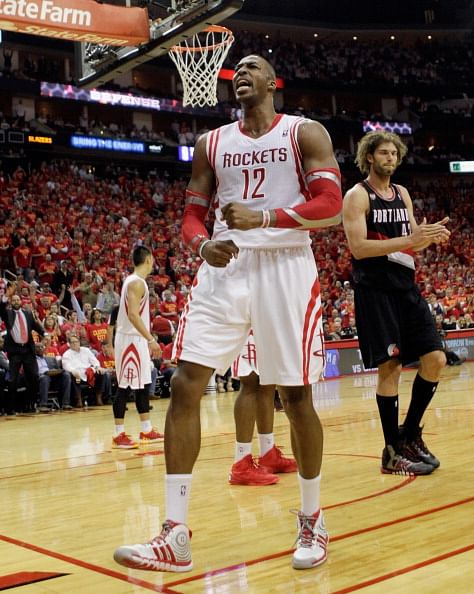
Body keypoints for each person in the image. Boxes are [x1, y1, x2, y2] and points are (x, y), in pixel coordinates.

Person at [113, 54, 342, 572]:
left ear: (273, 82)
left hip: (285, 265)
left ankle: (312, 519)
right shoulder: (210, 143)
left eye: (252, 66)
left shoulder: (305, 133)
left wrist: (264, 216)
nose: (240, 72)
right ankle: (174, 534)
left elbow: (329, 204)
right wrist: (201, 248)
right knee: (186, 383)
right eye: (235, 68)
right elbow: (194, 213)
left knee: (296, 395)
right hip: (225, 268)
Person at [342, 131, 450, 476]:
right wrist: (411, 238)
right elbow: (358, 247)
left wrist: (428, 237)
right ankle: (391, 453)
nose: (391, 158)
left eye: (394, 153)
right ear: (369, 157)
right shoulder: (358, 196)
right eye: (384, 153)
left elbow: (411, 242)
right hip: (375, 292)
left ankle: (410, 434)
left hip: (406, 288)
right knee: (390, 369)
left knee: (435, 359)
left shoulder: (402, 193)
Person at [111, 245, 164, 449]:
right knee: (124, 386)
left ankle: (146, 429)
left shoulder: (135, 281)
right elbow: (133, 315)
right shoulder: (136, 283)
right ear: (149, 259)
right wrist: (151, 339)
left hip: (137, 340)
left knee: (142, 384)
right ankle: (118, 434)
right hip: (129, 340)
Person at [229, 331, 297, 486]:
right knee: (250, 381)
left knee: (267, 382)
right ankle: (241, 462)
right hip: (247, 320)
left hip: (268, 321)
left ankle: (268, 454)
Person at [0, 284, 46, 414]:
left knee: (33, 377)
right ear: (11, 302)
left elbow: (35, 326)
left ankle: (30, 404)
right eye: (13, 300)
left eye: (17, 300)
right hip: (15, 351)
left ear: (21, 301)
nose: (16, 302)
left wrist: (45, 334)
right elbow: (1, 309)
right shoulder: (8, 313)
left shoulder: (27, 313)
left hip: (28, 350)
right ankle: (10, 408)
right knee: (13, 380)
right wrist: (5, 298)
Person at [35, 342, 72, 412]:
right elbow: (32, 373)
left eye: (42, 347)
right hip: (39, 380)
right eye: (38, 347)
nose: (40, 349)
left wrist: (58, 371)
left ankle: (65, 403)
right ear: (33, 349)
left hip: (53, 379)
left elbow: (57, 369)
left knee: (66, 375)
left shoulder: (51, 359)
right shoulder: (31, 360)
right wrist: (45, 373)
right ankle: (43, 405)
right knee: (45, 377)